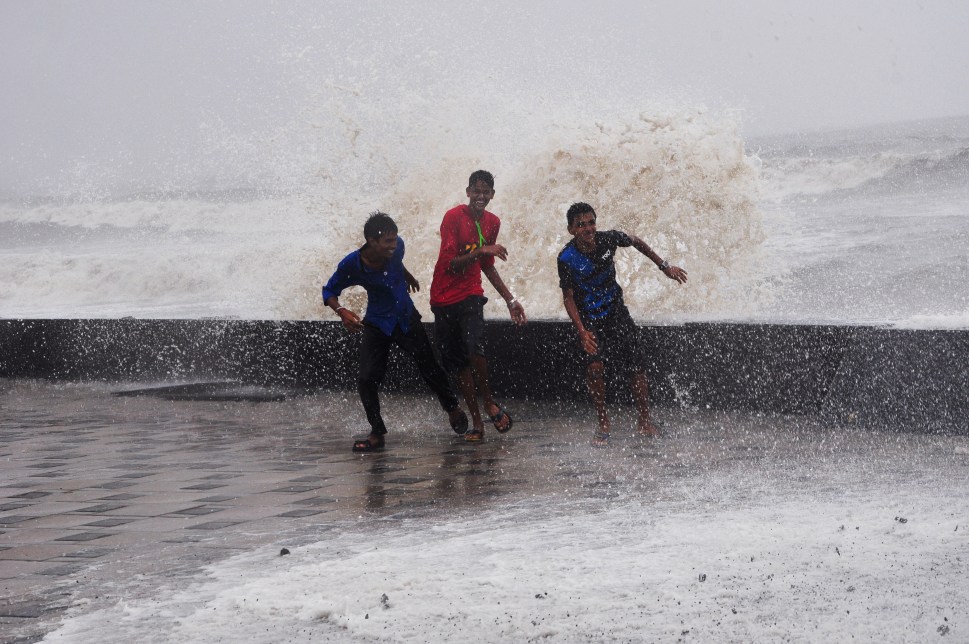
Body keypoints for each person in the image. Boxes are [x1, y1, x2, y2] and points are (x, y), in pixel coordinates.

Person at [323, 212, 468, 452]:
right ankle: (377, 432)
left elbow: (396, 259)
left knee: (429, 366)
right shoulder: (352, 264)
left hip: (405, 318)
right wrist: (342, 311)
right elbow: (329, 291)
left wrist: (406, 274)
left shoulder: (397, 247)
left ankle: (452, 408)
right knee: (366, 379)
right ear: (371, 241)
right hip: (378, 322)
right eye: (387, 241)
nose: (394, 244)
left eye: (394, 239)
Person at [556, 202, 688, 447]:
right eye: (581, 225)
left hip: (617, 312)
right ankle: (603, 423)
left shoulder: (608, 239)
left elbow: (635, 240)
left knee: (637, 366)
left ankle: (644, 421)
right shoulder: (566, 257)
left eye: (591, 222)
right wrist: (582, 331)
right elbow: (568, 297)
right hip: (589, 319)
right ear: (571, 229)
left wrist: (664, 266)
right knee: (595, 368)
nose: (588, 228)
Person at [429, 170, 527, 442]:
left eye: (487, 192)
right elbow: (451, 262)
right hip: (443, 297)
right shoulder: (453, 217)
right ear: (468, 192)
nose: (481, 196)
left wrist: (511, 299)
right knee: (459, 362)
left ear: (492, 195)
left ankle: (489, 403)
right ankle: (476, 422)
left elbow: (487, 266)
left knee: (475, 347)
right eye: (477, 190)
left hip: (471, 293)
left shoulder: (493, 222)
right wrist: (481, 250)